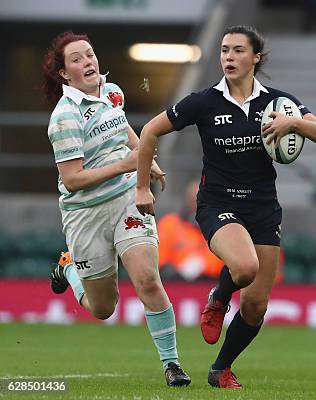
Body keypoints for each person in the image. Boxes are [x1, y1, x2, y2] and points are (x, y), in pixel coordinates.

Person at [135, 25, 316, 389]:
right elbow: (148, 131)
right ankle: (219, 295)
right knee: (244, 268)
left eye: (238, 50)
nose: (228, 56)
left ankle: (220, 368)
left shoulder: (277, 103)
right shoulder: (204, 101)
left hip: (263, 207)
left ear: (256, 57)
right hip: (218, 203)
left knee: (257, 304)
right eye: (224, 50)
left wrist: (294, 123)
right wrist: (142, 187)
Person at [43, 31, 190, 387]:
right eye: (76, 60)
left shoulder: (112, 92)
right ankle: (69, 270)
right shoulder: (64, 118)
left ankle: (172, 365)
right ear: (65, 74)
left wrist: (145, 161)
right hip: (85, 214)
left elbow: (123, 128)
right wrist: (126, 165)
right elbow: (74, 179)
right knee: (102, 309)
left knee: (147, 279)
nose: (88, 62)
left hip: (126, 199)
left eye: (89, 54)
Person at [157, 179, 225, 281]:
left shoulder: (221, 226)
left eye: (201, 200)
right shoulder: (169, 224)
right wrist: (180, 270)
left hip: (211, 282)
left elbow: (228, 262)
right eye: (193, 200)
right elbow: (160, 260)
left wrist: (204, 266)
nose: (197, 204)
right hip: (177, 283)